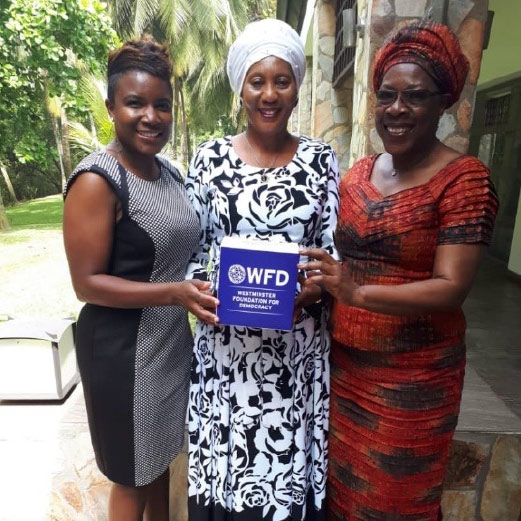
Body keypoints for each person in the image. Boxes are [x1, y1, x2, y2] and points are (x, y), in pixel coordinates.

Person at [299, 21, 498, 520]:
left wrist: (356, 292)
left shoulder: (464, 180)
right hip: (344, 369)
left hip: (415, 380)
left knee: (394, 503)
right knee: (342, 498)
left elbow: (451, 288)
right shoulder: (360, 172)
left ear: (442, 102)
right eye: (386, 95)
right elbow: (329, 249)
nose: (396, 109)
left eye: (414, 96)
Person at [185, 18, 340, 521]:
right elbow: (196, 248)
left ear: (297, 87)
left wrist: (314, 290)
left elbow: (328, 252)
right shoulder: (209, 159)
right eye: (257, 81)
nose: (269, 93)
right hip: (228, 357)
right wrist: (203, 294)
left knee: (284, 479)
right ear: (241, 89)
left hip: (295, 355)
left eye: (282, 80)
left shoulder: (321, 161)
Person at [63, 36, 218, 521]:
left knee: (160, 464)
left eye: (162, 105)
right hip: (121, 353)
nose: (151, 116)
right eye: (135, 103)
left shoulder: (167, 173)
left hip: (168, 345)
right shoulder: (98, 179)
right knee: (131, 478)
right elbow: (86, 284)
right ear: (111, 106)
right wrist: (174, 293)